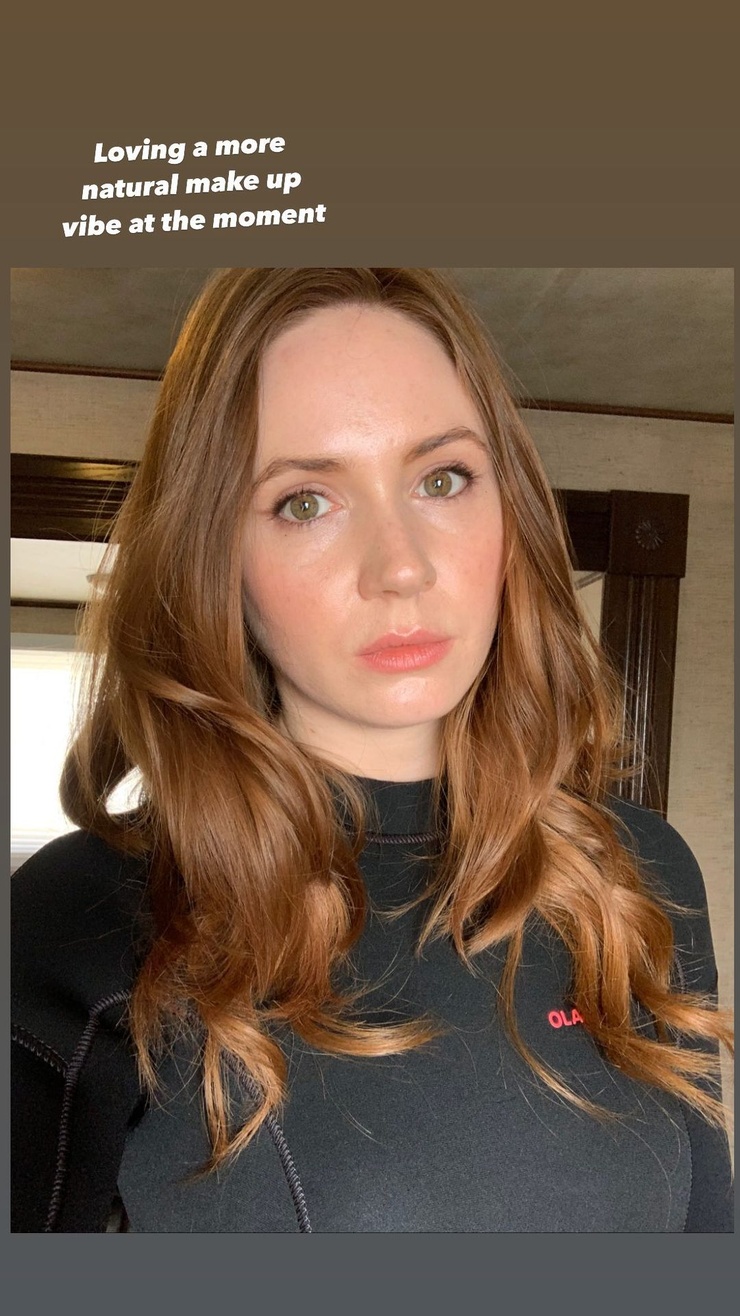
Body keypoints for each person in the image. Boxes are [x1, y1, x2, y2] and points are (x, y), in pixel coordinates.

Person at [11, 267, 733, 1233]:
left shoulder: (640, 874)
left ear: (510, 514)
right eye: (305, 501)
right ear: (215, 557)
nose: (401, 567)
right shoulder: (85, 917)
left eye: (442, 479)